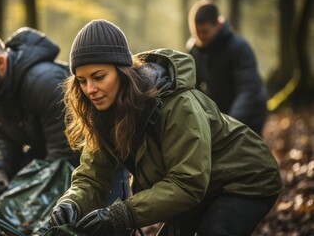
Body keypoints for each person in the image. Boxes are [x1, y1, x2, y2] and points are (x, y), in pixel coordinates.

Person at [41, 19, 283, 236]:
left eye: (98, 76)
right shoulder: (102, 113)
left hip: (246, 178)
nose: (90, 89)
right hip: (198, 190)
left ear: (122, 72)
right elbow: (92, 178)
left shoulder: (175, 104)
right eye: (82, 81)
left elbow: (188, 183)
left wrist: (121, 215)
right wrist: (70, 204)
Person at [0, 28, 79, 200]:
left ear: (0, 63)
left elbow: (64, 157)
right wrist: (0, 173)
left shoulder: (44, 83)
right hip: (47, 152)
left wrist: (26, 194)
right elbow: (4, 139)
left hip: (92, 162)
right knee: (8, 191)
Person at [187, 0, 267, 136]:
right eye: (196, 32)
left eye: (205, 31)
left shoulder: (239, 48)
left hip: (250, 115)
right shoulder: (194, 50)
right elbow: (194, 88)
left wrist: (230, 122)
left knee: (248, 154)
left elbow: (248, 89)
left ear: (218, 24)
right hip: (222, 115)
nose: (200, 36)